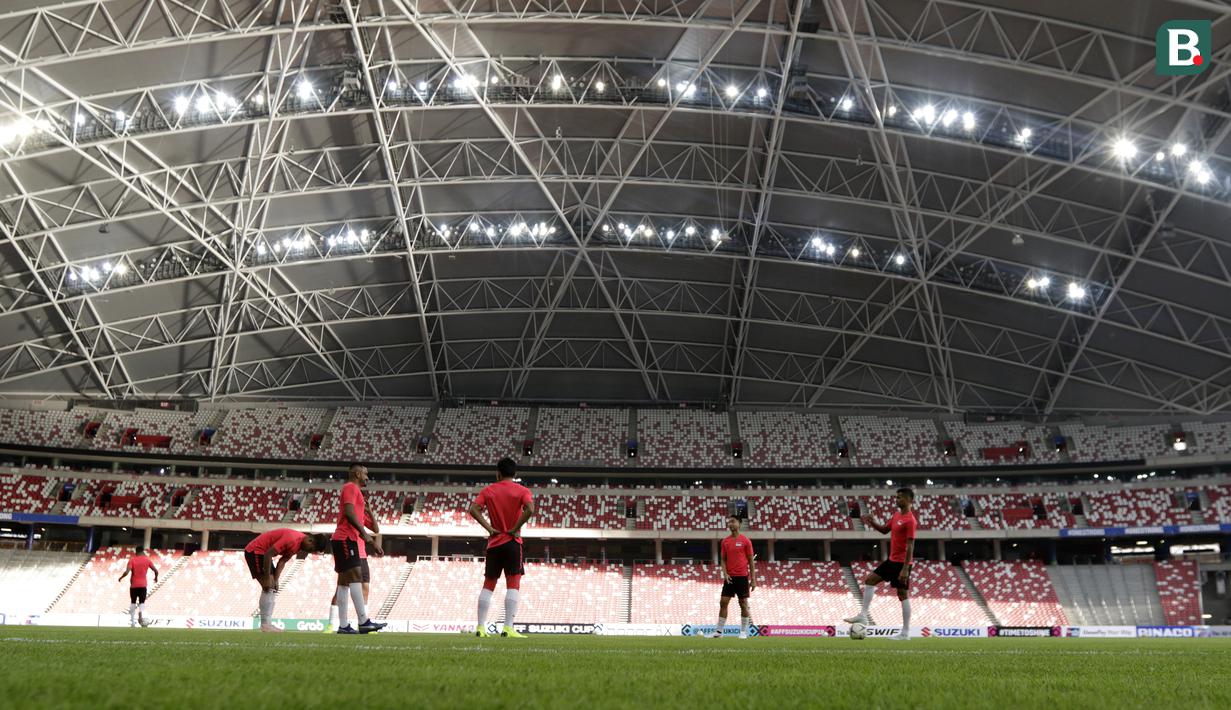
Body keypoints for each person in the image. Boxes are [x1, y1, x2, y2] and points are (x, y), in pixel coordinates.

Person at [468, 457, 535, 638]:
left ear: (498, 473)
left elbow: (473, 509)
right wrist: (514, 528)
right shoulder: (522, 491)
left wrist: (490, 529)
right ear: (515, 474)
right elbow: (530, 509)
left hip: (495, 543)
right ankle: (508, 627)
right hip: (513, 542)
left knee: (489, 584)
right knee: (513, 584)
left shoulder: (488, 491)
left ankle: (481, 628)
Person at [844, 487, 918, 641]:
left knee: (902, 594)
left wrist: (905, 569)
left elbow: (910, 546)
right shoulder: (896, 515)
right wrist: (872, 522)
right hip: (892, 560)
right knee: (870, 580)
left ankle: (905, 633)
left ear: (909, 500)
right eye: (896, 497)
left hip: (902, 563)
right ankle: (863, 616)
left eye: (900, 498)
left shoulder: (910, 520)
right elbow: (885, 530)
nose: (896, 500)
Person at [331, 464, 386, 634]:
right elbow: (348, 511)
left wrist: (368, 518)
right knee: (355, 578)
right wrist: (365, 536)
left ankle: (343, 625)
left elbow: (373, 527)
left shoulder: (357, 493)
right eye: (365, 474)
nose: (368, 477)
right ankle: (363, 621)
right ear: (357, 473)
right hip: (347, 538)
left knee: (343, 583)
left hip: (343, 539)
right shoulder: (350, 487)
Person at [245, 528, 328, 632]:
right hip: (255, 551)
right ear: (310, 540)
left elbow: (282, 561)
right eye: (311, 549)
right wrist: (267, 577)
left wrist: (276, 580)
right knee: (268, 587)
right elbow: (269, 554)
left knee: (273, 587)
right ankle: (265, 625)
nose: (308, 551)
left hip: (264, 553)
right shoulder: (292, 539)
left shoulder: (298, 546)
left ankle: (267, 624)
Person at [326, 509, 378, 632]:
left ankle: (363, 621)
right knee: (341, 586)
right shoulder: (349, 515)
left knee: (365, 588)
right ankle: (331, 624)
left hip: (362, 554)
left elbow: (376, 529)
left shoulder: (362, 517)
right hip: (348, 548)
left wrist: (370, 512)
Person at [712, 515, 756, 639]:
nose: (730, 524)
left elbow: (751, 561)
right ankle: (719, 632)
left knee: (743, 603)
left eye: (733, 521)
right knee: (723, 602)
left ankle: (743, 632)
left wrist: (753, 579)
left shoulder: (746, 541)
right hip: (729, 577)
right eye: (729, 522)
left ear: (739, 524)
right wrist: (725, 574)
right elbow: (723, 560)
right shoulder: (725, 541)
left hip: (742, 577)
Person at [117, 546, 158, 628]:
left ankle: (132, 622)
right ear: (143, 551)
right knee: (142, 603)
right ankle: (141, 616)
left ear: (136, 551)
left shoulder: (132, 560)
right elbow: (156, 570)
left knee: (133, 602)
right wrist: (156, 578)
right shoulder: (147, 560)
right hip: (143, 585)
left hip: (134, 586)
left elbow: (127, 572)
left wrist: (121, 577)